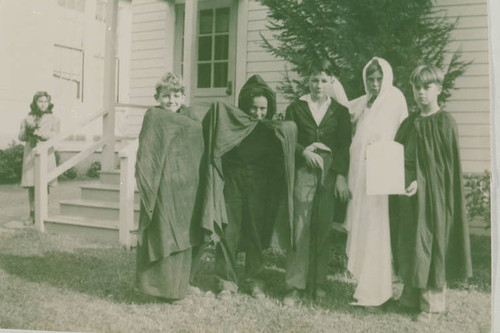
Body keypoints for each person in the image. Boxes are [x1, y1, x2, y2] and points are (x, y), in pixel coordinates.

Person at [197, 75, 296, 299]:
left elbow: (280, 158)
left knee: (256, 232)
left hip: (260, 184)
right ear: (245, 106)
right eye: (253, 108)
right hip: (233, 181)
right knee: (229, 231)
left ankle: (255, 281)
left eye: (263, 109)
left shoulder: (271, 129)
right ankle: (226, 282)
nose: (258, 113)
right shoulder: (234, 124)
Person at [389, 65, 472, 321]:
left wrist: (421, 183)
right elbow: (397, 156)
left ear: (438, 89)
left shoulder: (444, 123)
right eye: (416, 87)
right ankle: (411, 296)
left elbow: (445, 170)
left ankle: (432, 304)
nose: (421, 92)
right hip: (407, 194)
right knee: (410, 242)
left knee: (430, 244)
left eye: (427, 87)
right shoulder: (409, 123)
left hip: (434, 198)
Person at [283, 64, 352, 303]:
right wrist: (303, 152)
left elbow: (345, 145)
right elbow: (287, 139)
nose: (319, 86)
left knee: (322, 227)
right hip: (304, 169)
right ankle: (294, 284)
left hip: (330, 171)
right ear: (308, 81)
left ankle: (318, 284)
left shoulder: (341, 112)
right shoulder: (296, 108)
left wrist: (341, 175)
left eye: (323, 81)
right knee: (300, 226)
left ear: (330, 81)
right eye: (314, 80)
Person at [344, 57, 408, 309]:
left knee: (377, 229)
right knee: (363, 225)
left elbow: (402, 134)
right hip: (360, 175)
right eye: (370, 79)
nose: (375, 83)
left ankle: (377, 290)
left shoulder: (395, 100)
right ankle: (365, 284)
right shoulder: (363, 103)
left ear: (387, 78)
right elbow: (343, 110)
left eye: (379, 78)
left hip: (382, 172)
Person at [135, 73, 204, 302]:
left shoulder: (191, 118)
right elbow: (148, 152)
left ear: (183, 96)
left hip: (186, 188)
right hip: (163, 187)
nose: (171, 100)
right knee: (163, 232)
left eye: (176, 95)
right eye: (166, 96)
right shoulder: (154, 116)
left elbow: (198, 147)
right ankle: (158, 287)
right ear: (157, 97)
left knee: (183, 235)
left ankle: (179, 286)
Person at [18, 91, 60, 225]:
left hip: (45, 153)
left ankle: (42, 212)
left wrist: (42, 134)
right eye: (40, 101)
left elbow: (55, 135)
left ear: (49, 103)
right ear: (35, 103)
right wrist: (27, 131)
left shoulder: (54, 119)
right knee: (32, 184)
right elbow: (20, 136)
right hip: (31, 152)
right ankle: (32, 214)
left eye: (45, 101)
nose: (43, 104)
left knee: (44, 183)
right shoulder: (27, 118)